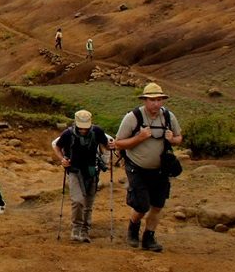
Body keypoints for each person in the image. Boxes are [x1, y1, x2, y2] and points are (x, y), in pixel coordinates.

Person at [112, 82, 183, 253]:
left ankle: (149, 237)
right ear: (145, 100)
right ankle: (133, 227)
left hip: (160, 170)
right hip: (137, 168)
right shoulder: (133, 117)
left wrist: (172, 139)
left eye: (159, 100)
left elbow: (179, 138)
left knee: (157, 205)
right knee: (141, 206)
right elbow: (118, 143)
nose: (156, 104)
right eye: (152, 100)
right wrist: (139, 138)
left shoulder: (168, 117)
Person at [52, 110, 112, 242]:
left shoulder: (97, 132)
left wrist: (110, 148)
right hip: (74, 171)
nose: (83, 130)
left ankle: (85, 231)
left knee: (88, 204)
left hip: (92, 171)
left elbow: (107, 145)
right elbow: (57, 146)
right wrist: (62, 159)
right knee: (78, 201)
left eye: (86, 128)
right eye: (81, 128)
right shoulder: (68, 134)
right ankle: (76, 229)